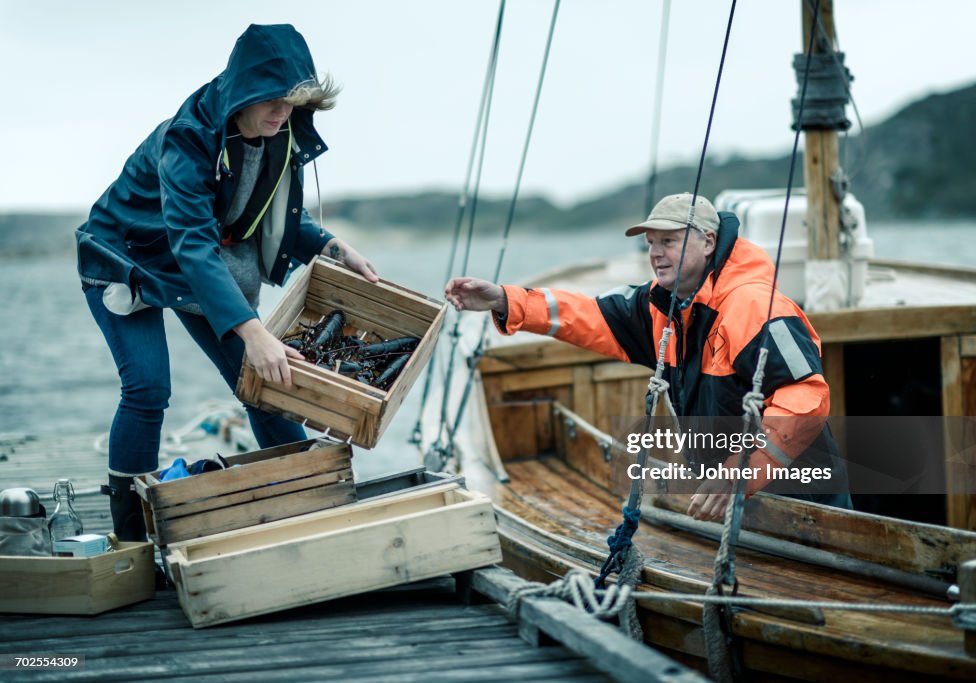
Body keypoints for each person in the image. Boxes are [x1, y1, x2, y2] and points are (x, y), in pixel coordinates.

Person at [76, 24, 378, 541]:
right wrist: (253, 330)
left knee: (266, 381)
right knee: (148, 388)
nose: (283, 113)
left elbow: (268, 213)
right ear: (244, 90)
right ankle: (133, 534)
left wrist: (331, 247)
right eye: (274, 101)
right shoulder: (187, 139)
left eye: (293, 101)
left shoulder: (277, 132)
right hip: (123, 256)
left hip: (193, 260)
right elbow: (193, 242)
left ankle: (304, 499)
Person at [445, 192, 850, 521]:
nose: (655, 253)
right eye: (650, 243)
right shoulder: (662, 307)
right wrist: (503, 299)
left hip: (808, 509)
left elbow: (807, 398)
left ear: (708, 242)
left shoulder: (754, 307)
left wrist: (738, 474)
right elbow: (589, 315)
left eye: (668, 241)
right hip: (730, 506)